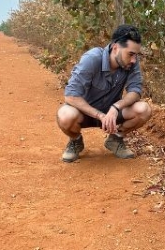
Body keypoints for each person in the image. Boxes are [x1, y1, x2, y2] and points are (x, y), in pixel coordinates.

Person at [57, 24, 153, 162]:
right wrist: (99, 115)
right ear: (115, 48)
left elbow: (135, 91)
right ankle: (75, 140)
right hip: (85, 113)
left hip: (112, 115)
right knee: (65, 115)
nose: (133, 60)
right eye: (130, 54)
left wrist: (116, 107)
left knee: (144, 110)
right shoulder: (92, 59)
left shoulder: (131, 62)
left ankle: (115, 139)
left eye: (135, 55)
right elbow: (71, 95)